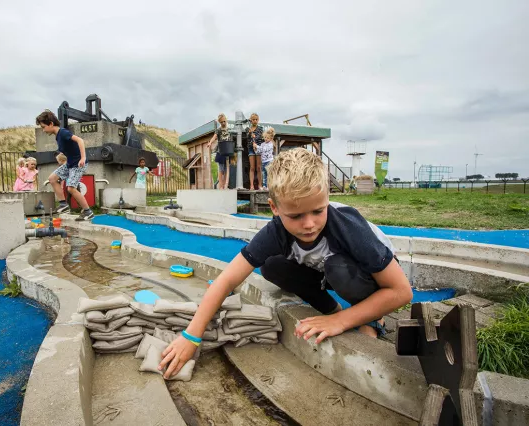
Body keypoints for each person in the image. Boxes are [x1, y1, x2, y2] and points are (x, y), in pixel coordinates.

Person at [157, 148, 413, 379]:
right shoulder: (276, 232)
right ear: (274, 208)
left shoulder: (346, 227)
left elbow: (400, 291)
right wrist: (191, 336)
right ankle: (332, 310)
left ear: (326, 199)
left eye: (318, 211)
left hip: (371, 275)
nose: (309, 224)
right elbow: (227, 280)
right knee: (271, 266)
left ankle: (371, 320)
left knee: (339, 269)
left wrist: (344, 322)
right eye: (296, 215)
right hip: (327, 269)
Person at [36, 110, 94, 221]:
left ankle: (88, 211)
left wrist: (83, 158)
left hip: (78, 164)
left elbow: (80, 140)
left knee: (71, 188)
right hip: (70, 164)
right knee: (52, 178)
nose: (43, 130)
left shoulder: (62, 132)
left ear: (51, 124)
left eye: (43, 127)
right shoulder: (57, 136)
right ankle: (64, 204)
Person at [209, 113, 232, 190]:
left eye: (224, 121)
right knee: (221, 169)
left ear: (226, 120)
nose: (223, 123)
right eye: (221, 122)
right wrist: (210, 142)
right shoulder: (219, 130)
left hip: (228, 151)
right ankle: (221, 186)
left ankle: (226, 185)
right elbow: (214, 137)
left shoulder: (229, 129)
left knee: (226, 169)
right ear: (219, 122)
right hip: (221, 151)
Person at [247, 113, 264, 190]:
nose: (255, 121)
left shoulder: (260, 128)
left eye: (256, 119)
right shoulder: (248, 129)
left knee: (259, 167)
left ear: (258, 120)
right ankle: (251, 186)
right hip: (251, 149)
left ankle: (260, 185)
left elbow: (261, 137)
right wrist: (250, 133)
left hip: (258, 148)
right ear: (251, 120)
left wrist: (255, 137)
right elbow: (247, 138)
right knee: (252, 167)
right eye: (253, 119)